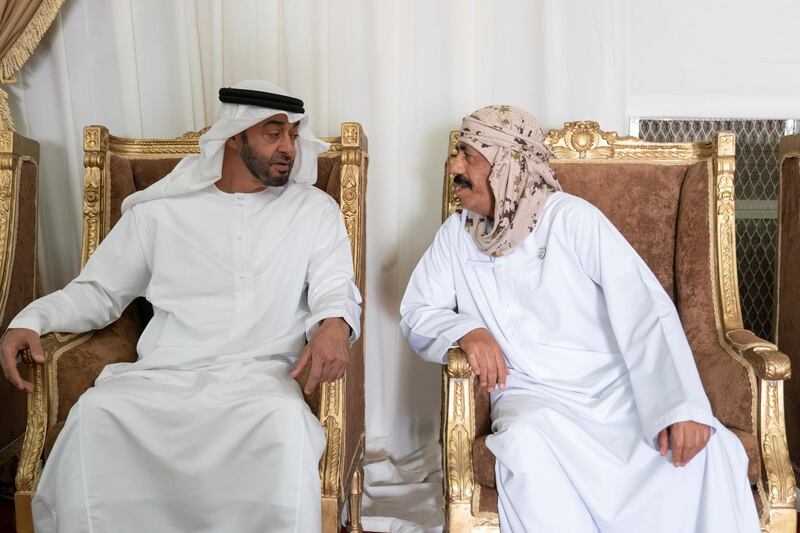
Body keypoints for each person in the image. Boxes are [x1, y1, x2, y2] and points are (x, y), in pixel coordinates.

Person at [0, 80, 361, 533]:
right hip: (164, 375)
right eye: (273, 133)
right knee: (96, 415)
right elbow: (98, 291)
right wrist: (31, 319)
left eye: (292, 133)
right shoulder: (159, 213)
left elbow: (336, 286)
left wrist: (333, 324)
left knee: (283, 423)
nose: (288, 146)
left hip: (260, 379)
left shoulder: (314, 210)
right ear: (235, 135)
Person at [400, 105, 759, 532]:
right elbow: (416, 311)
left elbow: (645, 309)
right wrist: (466, 330)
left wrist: (680, 406)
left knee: (707, 458)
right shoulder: (457, 237)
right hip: (531, 397)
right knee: (525, 447)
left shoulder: (570, 218)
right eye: (458, 154)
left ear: (508, 167)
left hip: (611, 390)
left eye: (469, 156)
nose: (455, 167)